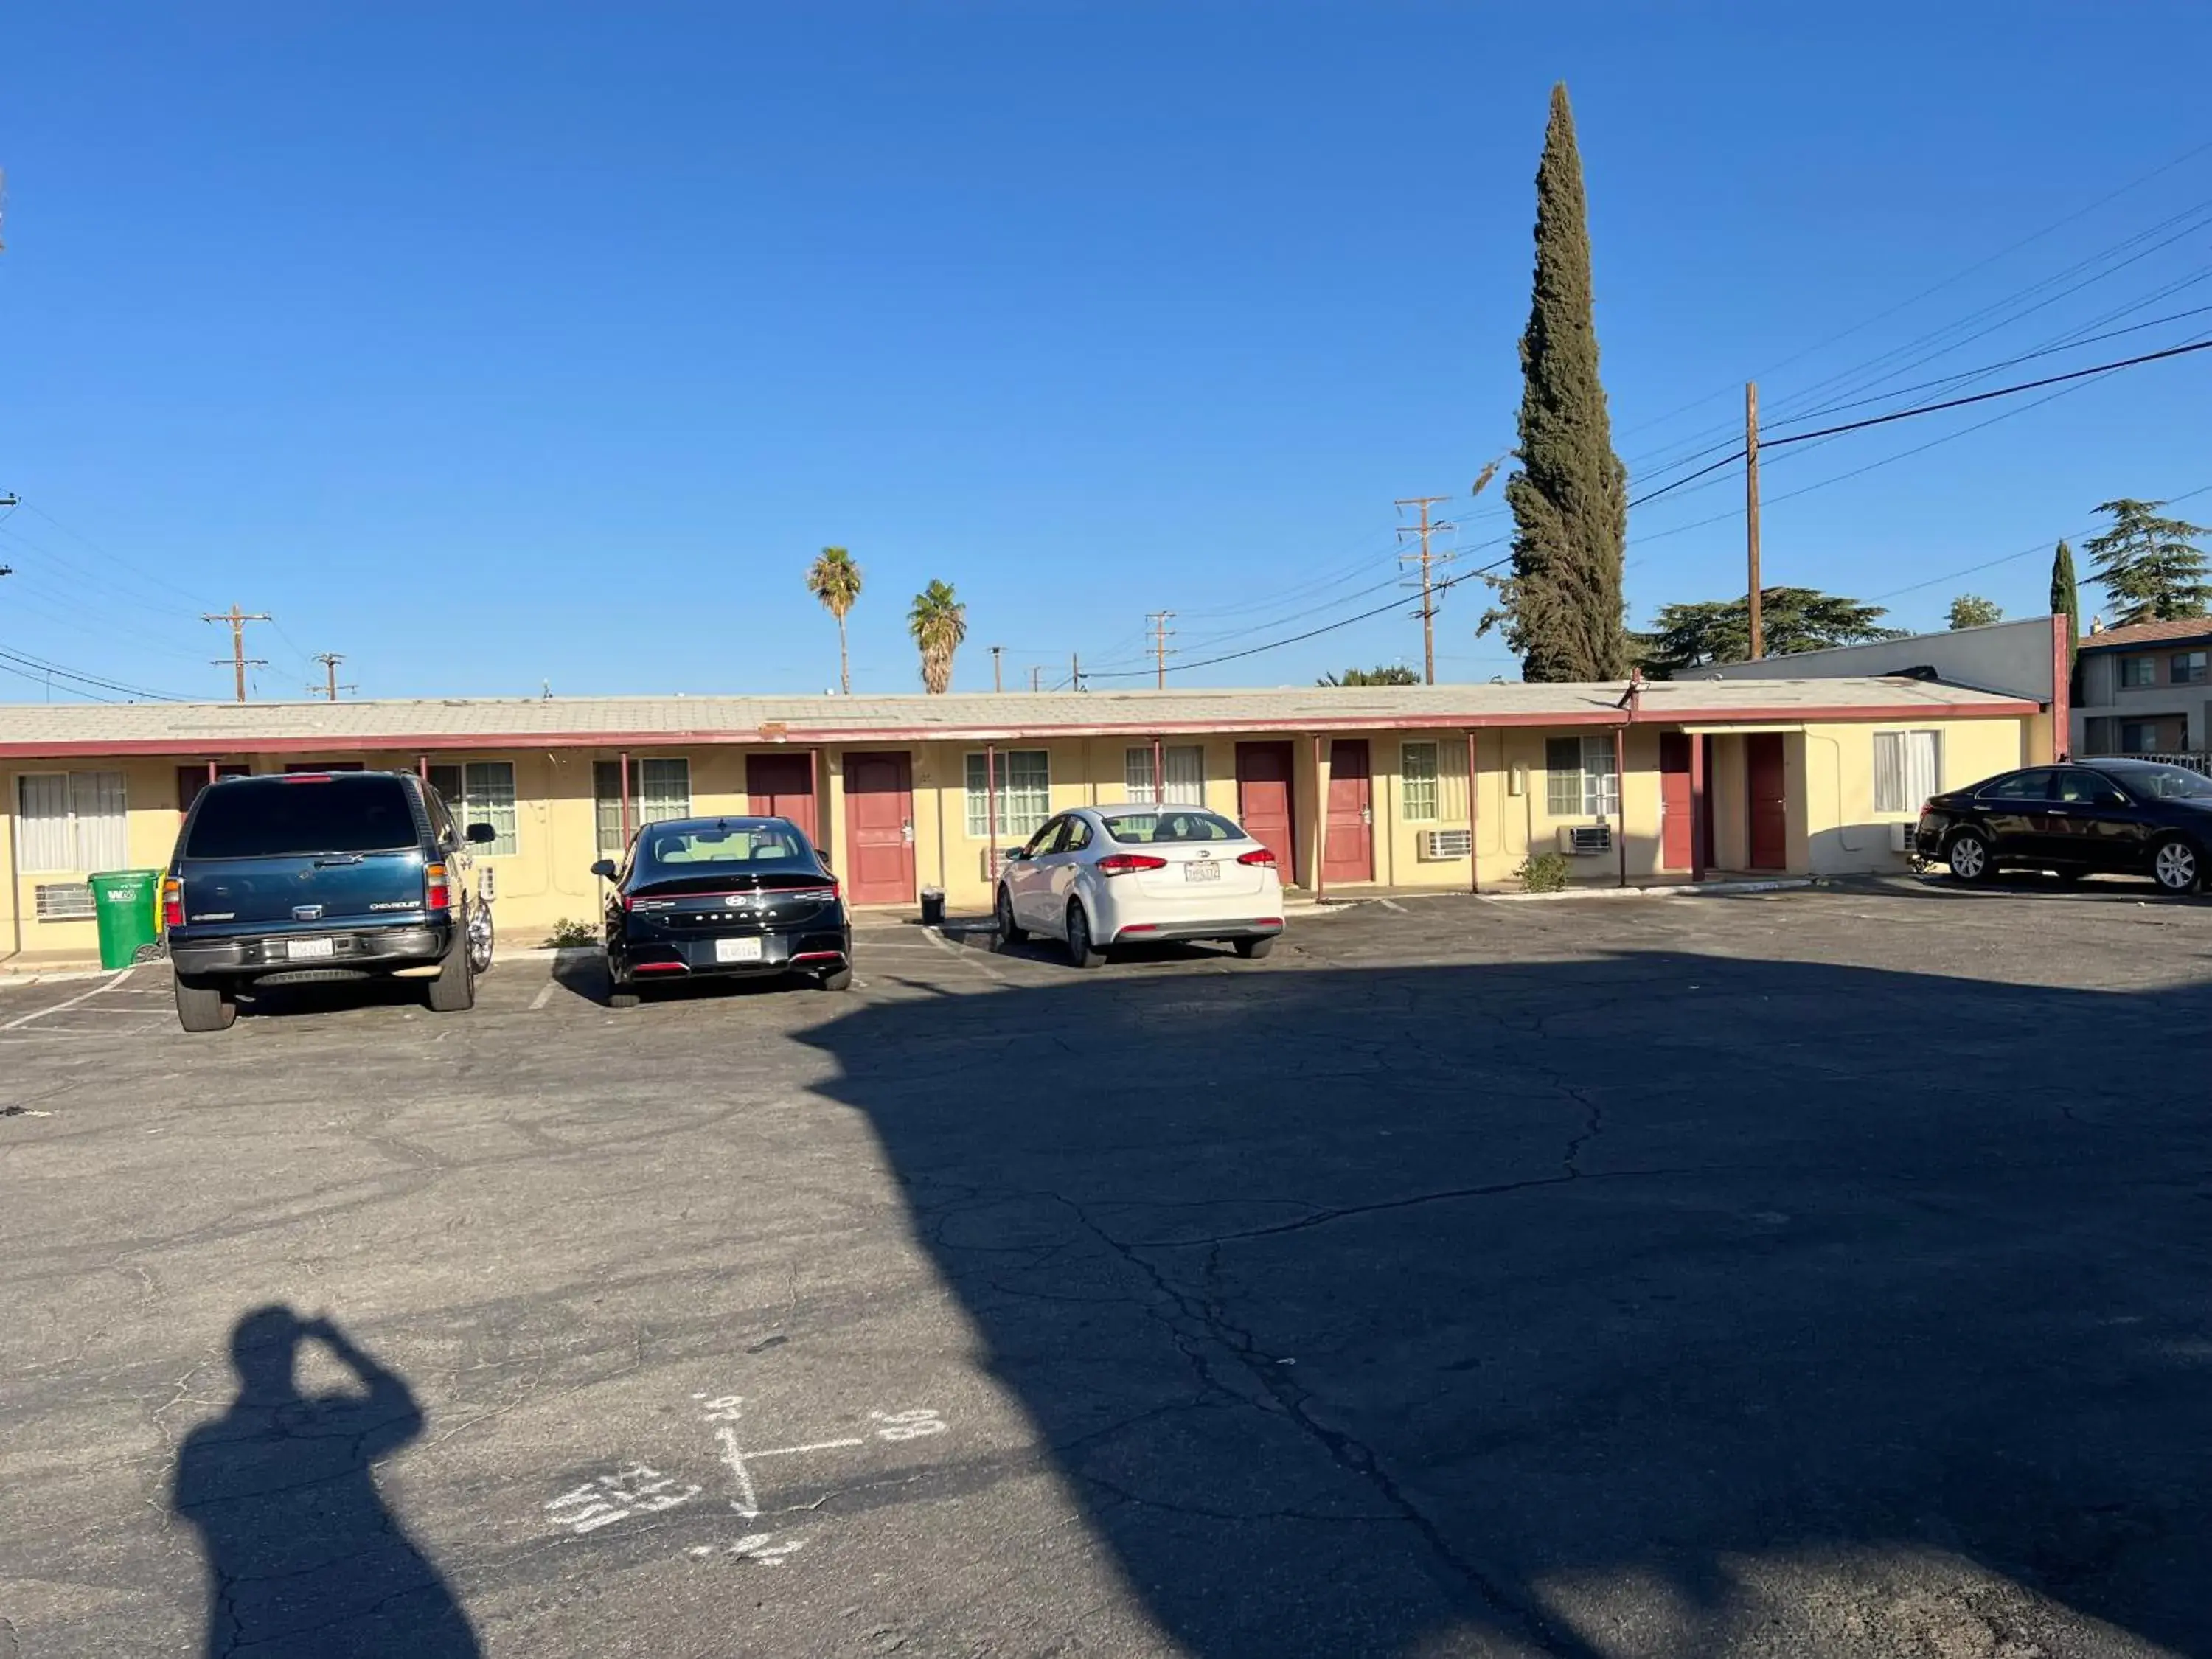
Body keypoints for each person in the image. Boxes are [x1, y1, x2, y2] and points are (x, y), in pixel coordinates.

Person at [172, 1307, 479, 1658]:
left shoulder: (207, 1446)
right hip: (352, 1591)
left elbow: (195, 1511)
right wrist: (338, 1344)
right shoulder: (331, 1421)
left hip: (273, 1609)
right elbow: (404, 1414)